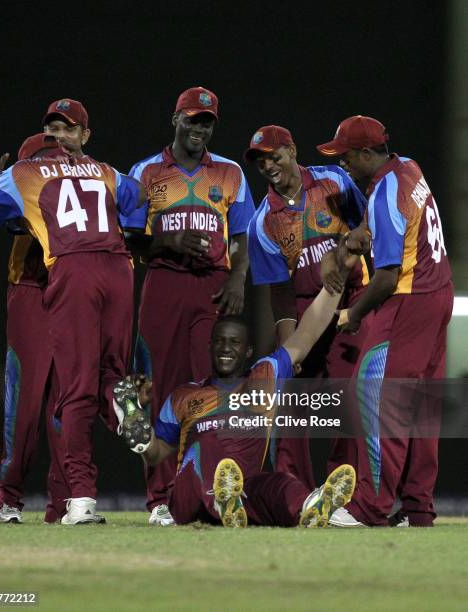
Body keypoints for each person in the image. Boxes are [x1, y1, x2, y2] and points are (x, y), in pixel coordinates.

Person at [113, 241, 359, 527]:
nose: (225, 349)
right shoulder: (185, 395)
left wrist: (338, 279)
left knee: (277, 483)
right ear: (209, 347)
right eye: (219, 342)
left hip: (242, 492)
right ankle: (221, 498)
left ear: (248, 351)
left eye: (234, 343)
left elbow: (307, 333)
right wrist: (140, 435)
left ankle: (310, 506)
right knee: (206, 445)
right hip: (188, 496)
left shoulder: (264, 376)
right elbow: (158, 455)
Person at [0, 122, 141, 525]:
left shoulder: (24, 178)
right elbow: (135, 206)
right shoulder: (96, 172)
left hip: (65, 280)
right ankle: (23, 496)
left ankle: (56, 501)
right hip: (38, 289)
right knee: (47, 401)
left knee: (56, 401)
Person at [121, 86, 254, 525]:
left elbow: (243, 236)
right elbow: (124, 235)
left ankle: (208, 488)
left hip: (213, 286)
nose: (200, 129)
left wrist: (236, 278)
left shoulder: (231, 172)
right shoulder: (145, 172)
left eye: (207, 122)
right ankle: (161, 497)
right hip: (164, 284)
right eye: (193, 119)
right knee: (163, 389)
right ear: (175, 119)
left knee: (212, 388)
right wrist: (167, 241)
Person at [317, 115, 453, 527]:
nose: (342, 165)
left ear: (365, 153)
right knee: (422, 407)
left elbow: (387, 277)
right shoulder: (408, 167)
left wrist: (353, 315)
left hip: (408, 300)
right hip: (438, 293)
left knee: (378, 400)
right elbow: (403, 222)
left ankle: (369, 507)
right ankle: (418, 508)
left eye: (345, 156)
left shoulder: (382, 193)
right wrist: (362, 231)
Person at [245, 125, 369, 491]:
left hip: (351, 299)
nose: (268, 165)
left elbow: (365, 228)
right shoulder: (261, 222)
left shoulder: (334, 180)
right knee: (289, 400)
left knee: (349, 396)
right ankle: (292, 489)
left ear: (292, 149)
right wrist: (288, 351)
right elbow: (280, 292)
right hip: (303, 312)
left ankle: (342, 489)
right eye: (260, 161)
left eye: (274, 155)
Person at [0, 100, 97, 524]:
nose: (59, 136)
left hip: (73, 291)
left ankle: (66, 502)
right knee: (26, 399)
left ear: (84, 135)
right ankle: (9, 498)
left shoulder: (97, 171)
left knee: (69, 399)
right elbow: (8, 211)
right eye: (54, 127)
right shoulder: (32, 152)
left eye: (69, 128)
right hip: (32, 290)